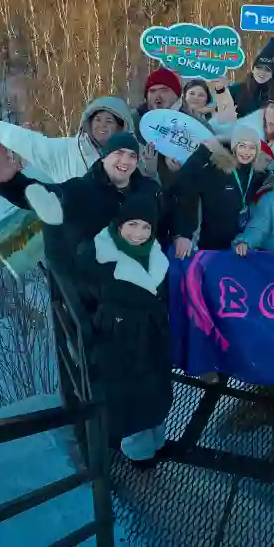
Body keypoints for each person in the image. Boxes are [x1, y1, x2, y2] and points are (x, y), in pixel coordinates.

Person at [71, 191, 173, 469]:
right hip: (120, 337)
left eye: (146, 227)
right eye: (132, 224)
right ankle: (139, 454)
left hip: (151, 334)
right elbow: (82, 287)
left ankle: (155, 442)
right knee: (131, 398)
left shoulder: (154, 253)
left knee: (155, 390)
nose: (139, 233)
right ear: (120, 224)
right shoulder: (99, 256)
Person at [17, 131, 164, 275]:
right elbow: (42, 195)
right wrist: (10, 181)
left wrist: (177, 235)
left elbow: (167, 215)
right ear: (104, 157)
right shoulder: (81, 189)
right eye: (119, 153)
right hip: (95, 282)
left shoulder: (147, 189)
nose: (125, 161)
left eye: (132, 156)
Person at [0, 96, 134, 184]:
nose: (102, 125)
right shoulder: (67, 151)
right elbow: (28, 141)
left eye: (109, 121)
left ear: (121, 127)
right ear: (88, 123)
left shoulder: (132, 158)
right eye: (97, 119)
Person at [169, 126, 270, 258]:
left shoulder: (257, 173)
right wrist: (201, 153)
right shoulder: (215, 167)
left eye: (252, 148)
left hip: (239, 244)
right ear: (234, 147)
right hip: (210, 244)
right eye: (242, 146)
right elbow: (181, 185)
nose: (246, 152)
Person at [135, 68, 183, 133]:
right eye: (152, 91)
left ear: (176, 95)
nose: (157, 96)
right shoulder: (134, 121)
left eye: (164, 90)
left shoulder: (189, 120)